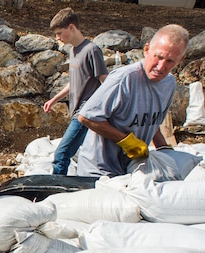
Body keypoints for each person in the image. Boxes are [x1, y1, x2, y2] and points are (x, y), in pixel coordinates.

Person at [75, 24, 189, 177]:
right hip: (99, 171)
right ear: (147, 49)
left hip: (132, 169)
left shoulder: (169, 84)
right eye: (159, 57)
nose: (161, 67)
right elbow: (87, 117)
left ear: (181, 60)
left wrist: (165, 151)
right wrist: (126, 141)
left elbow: (152, 122)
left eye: (170, 61)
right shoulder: (124, 79)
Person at [42, 8, 107, 175]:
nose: (57, 38)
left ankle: (56, 191)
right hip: (76, 110)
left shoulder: (91, 50)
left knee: (61, 154)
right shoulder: (73, 51)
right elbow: (75, 81)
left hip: (85, 113)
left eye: (59, 33)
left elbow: (105, 82)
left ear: (71, 27)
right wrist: (55, 99)